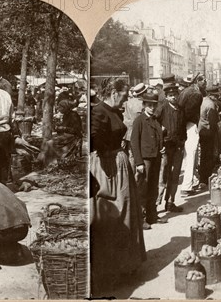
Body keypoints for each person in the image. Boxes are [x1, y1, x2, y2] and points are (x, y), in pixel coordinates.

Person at [90, 78, 145, 294]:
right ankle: (111, 270)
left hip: (119, 164)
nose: (126, 98)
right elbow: (94, 137)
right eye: (124, 94)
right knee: (113, 214)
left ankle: (126, 265)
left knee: (127, 212)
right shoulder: (99, 112)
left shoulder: (115, 110)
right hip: (108, 168)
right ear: (113, 92)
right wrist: (106, 153)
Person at [131, 90, 164, 229]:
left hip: (156, 157)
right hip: (145, 159)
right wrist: (139, 162)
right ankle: (141, 217)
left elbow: (159, 136)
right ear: (144, 105)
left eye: (154, 105)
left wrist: (162, 147)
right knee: (143, 189)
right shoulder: (139, 120)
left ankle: (152, 215)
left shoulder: (155, 119)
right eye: (149, 105)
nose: (152, 107)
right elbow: (134, 142)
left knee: (153, 187)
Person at [155, 83, 185, 212]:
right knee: (163, 176)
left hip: (177, 146)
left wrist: (183, 141)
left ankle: (170, 202)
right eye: (170, 95)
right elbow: (155, 127)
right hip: (165, 147)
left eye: (175, 95)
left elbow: (183, 127)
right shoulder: (161, 109)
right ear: (166, 97)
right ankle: (155, 206)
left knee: (175, 175)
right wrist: (159, 144)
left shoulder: (180, 109)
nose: (173, 97)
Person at [178, 74, 204, 194]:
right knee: (191, 156)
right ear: (196, 81)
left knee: (187, 156)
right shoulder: (196, 94)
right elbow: (188, 113)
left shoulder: (184, 92)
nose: (204, 83)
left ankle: (192, 181)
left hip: (183, 125)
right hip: (190, 125)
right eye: (202, 80)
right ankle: (187, 186)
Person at [197, 87, 220, 189]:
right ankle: (206, 178)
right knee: (208, 155)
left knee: (203, 155)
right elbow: (213, 121)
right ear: (212, 95)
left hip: (201, 130)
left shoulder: (202, 101)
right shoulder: (211, 105)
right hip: (208, 132)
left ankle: (202, 178)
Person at [122, 83, 147, 153]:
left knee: (131, 153)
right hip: (141, 132)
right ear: (144, 93)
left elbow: (125, 119)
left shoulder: (128, 102)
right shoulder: (143, 104)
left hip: (129, 133)